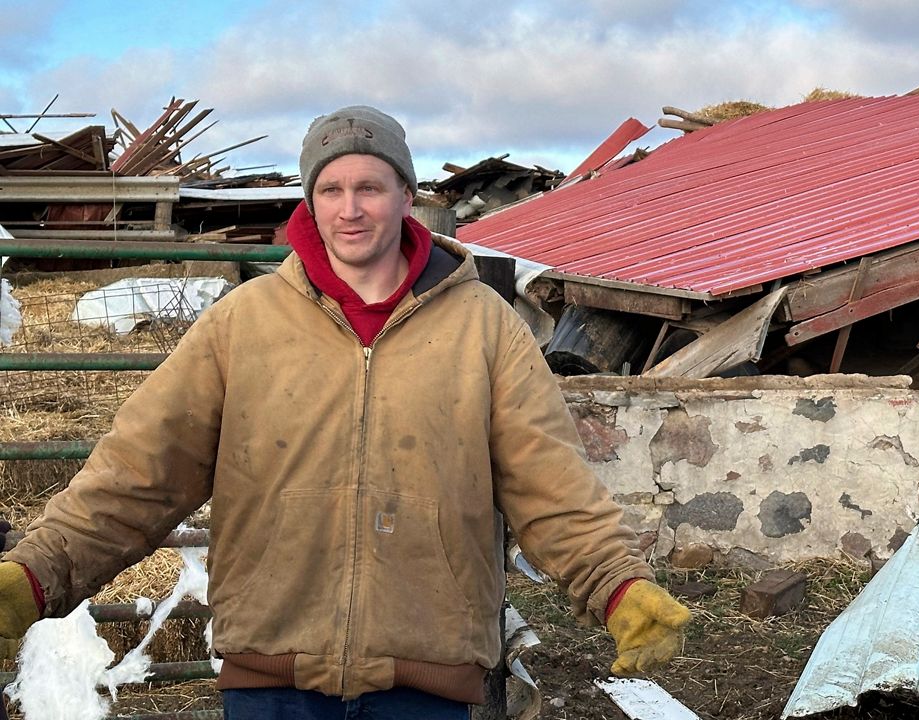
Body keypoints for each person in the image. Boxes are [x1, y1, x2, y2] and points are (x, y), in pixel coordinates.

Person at [0, 106, 690, 718]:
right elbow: (140, 471)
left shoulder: (483, 327)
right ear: (310, 201)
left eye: (369, 187)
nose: (349, 208)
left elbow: (550, 482)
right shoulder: (242, 324)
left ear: (406, 197)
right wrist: (38, 571)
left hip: (425, 676)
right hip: (272, 678)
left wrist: (617, 584)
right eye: (331, 189)